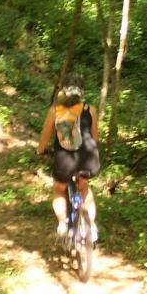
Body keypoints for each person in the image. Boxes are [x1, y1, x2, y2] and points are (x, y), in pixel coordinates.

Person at [37, 74, 100, 245]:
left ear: (62, 90)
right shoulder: (90, 110)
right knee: (84, 188)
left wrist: (41, 150)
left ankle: (63, 224)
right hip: (88, 158)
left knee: (59, 189)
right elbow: (95, 137)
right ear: (82, 92)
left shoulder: (55, 111)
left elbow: (45, 138)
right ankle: (92, 227)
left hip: (65, 160)